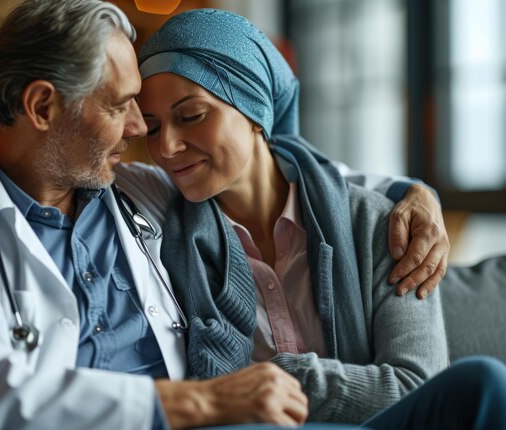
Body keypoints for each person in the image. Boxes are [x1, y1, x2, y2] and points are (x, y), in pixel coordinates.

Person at [0, 2, 492, 430]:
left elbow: (308, 181)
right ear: (42, 107)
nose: (146, 133)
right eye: (124, 106)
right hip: (204, 419)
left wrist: (418, 194)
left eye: (183, 115)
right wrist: (202, 402)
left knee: (482, 388)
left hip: (229, 417)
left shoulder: (141, 190)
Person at [111, 7, 506, 427]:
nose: (167, 146)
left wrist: (274, 379)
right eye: (152, 128)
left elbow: (414, 385)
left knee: (484, 383)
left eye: (191, 116)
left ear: (254, 110)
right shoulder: (159, 224)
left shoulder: (378, 223)